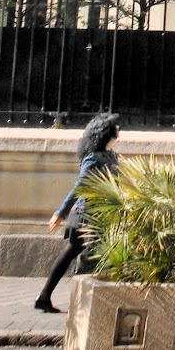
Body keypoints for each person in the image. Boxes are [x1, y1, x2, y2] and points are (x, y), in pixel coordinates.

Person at [34, 112, 121, 313]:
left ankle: (46, 297)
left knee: (75, 254)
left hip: (103, 214)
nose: (119, 131)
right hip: (87, 215)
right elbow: (80, 186)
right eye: (115, 128)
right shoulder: (93, 158)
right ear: (106, 133)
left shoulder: (112, 156)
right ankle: (74, 301)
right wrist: (60, 213)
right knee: (84, 256)